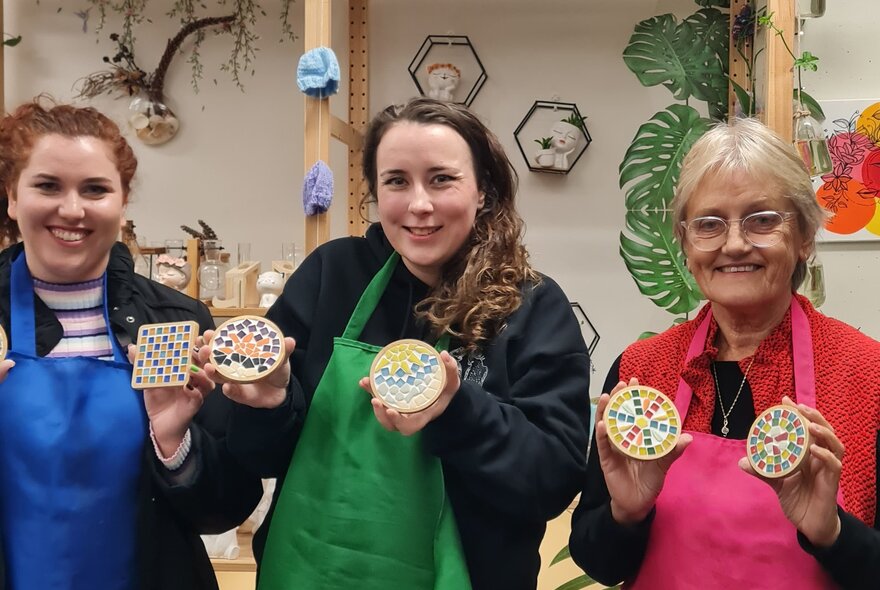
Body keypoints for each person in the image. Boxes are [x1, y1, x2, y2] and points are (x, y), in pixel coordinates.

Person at [216, 97, 591, 590]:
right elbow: (258, 458)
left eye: (441, 179)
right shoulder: (333, 275)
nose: (419, 204)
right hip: (314, 571)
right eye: (397, 181)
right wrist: (268, 404)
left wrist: (459, 412)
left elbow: (553, 481)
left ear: (482, 192)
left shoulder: (530, 306)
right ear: (376, 194)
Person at [569, 117, 880, 589]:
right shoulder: (641, 373)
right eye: (709, 224)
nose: (734, 244)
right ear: (686, 244)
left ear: (805, 238)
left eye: (762, 219)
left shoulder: (867, 375)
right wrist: (625, 514)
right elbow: (599, 561)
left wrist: (832, 534)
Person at [0, 99, 262, 590]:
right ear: (12, 197)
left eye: (95, 189)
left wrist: (176, 444)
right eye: (47, 186)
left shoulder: (177, 323)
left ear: (122, 204)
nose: (72, 209)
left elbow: (224, 509)